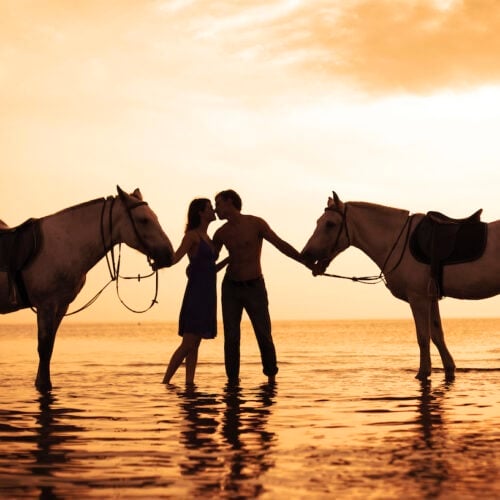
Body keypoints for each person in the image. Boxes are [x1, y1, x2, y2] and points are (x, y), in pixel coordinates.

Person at [213, 189, 304, 385]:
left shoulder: (255, 224)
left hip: (254, 286)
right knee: (231, 337)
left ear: (230, 202)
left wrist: (306, 262)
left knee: (263, 333)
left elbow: (280, 244)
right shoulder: (220, 233)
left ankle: (271, 378)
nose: (215, 208)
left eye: (218, 204)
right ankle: (232, 382)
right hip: (230, 288)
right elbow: (207, 262)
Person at [163, 198, 227, 385]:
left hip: (208, 294)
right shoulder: (192, 236)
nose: (213, 210)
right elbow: (175, 257)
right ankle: (165, 382)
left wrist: (230, 260)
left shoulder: (208, 237)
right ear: (200, 212)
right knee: (188, 343)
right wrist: (160, 261)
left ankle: (189, 383)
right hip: (196, 295)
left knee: (195, 344)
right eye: (209, 208)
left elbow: (210, 268)